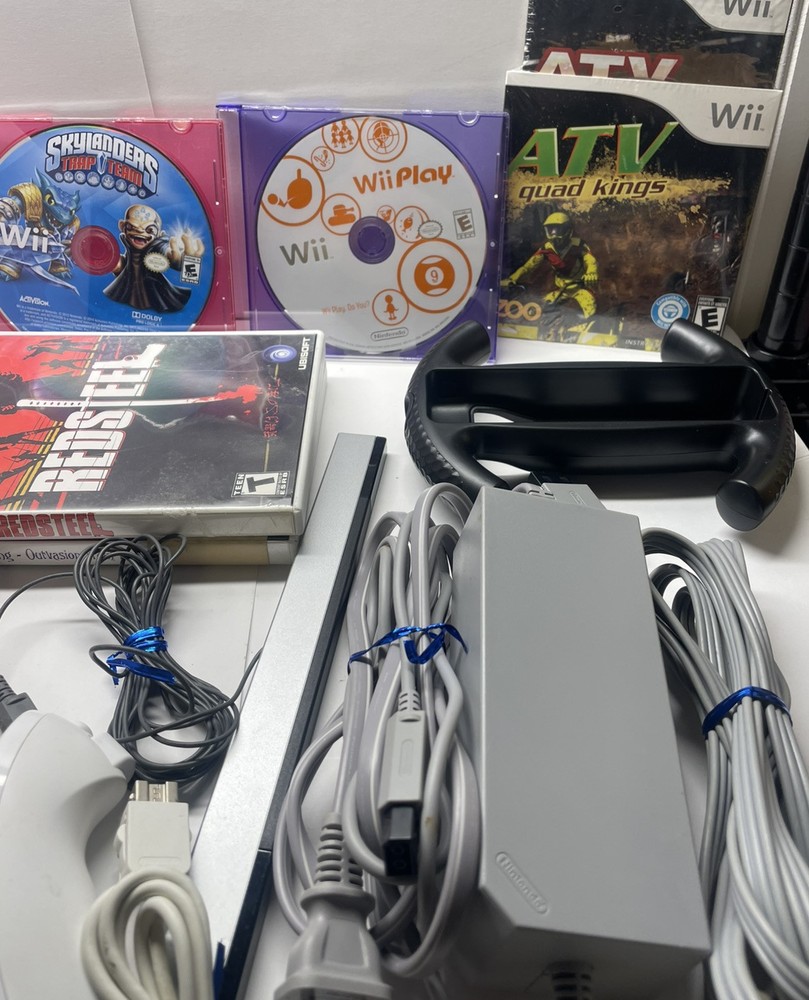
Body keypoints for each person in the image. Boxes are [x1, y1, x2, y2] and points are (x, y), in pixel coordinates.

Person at [501, 211, 598, 319]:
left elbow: (590, 260)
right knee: (541, 310)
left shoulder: (578, 244)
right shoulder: (546, 248)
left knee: (590, 309)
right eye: (551, 229)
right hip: (561, 290)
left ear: (568, 230)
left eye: (558, 229)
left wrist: (591, 273)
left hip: (579, 288)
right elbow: (528, 267)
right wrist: (512, 279)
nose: (554, 234)